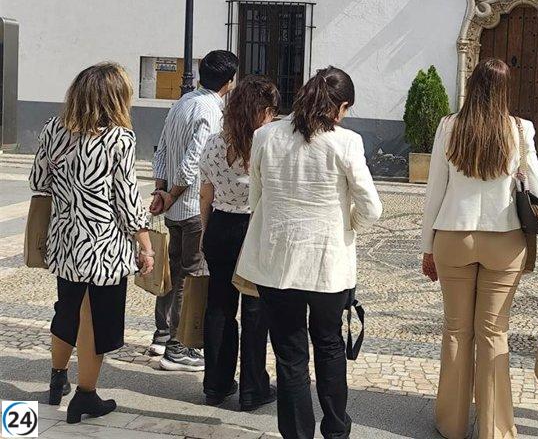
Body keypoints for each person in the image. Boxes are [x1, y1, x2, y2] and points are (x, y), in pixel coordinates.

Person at [236, 66, 382, 439]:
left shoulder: (266, 136)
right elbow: (372, 207)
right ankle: (335, 427)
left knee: (290, 355)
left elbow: (256, 199)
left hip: (277, 263)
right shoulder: (346, 142)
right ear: (340, 106)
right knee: (329, 345)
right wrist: (346, 224)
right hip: (326, 263)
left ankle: (297, 433)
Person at [420, 58, 538, 439]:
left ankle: (452, 423)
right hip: (504, 238)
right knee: (493, 333)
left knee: (456, 330)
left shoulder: (449, 126)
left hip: (454, 234)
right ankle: (493, 427)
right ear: (505, 90)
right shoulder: (520, 129)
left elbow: (435, 190)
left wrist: (427, 246)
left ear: (472, 84)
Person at [29, 63, 154, 424]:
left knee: (67, 309)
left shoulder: (53, 129)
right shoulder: (118, 139)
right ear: (116, 98)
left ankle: (57, 379)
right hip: (103, 246)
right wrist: (145, 245)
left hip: (66, 240)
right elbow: (127, 199)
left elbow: (39, 181)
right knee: (95, 320)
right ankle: (86, 395)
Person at [149, 50, 238, 371]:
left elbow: (161, 150)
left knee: (173, 273)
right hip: (191, 206)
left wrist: (160, 190)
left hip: (174, 206)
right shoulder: (212, 110)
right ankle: (178, 346)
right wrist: (172, 195)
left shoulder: (182, 103)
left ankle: (162, 335)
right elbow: (193, 163)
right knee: (191, 276)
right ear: (230, 81)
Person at [198, 76, 280, 410]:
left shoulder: (215, 143)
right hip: (254, 228)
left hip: (221, 225)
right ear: (262, 111)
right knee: (255, 311)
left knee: (219, 307)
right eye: (271, 110)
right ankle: (252, 387)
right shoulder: (268, 146)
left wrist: (206, 232)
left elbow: (206, 192)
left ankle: (215, 385)